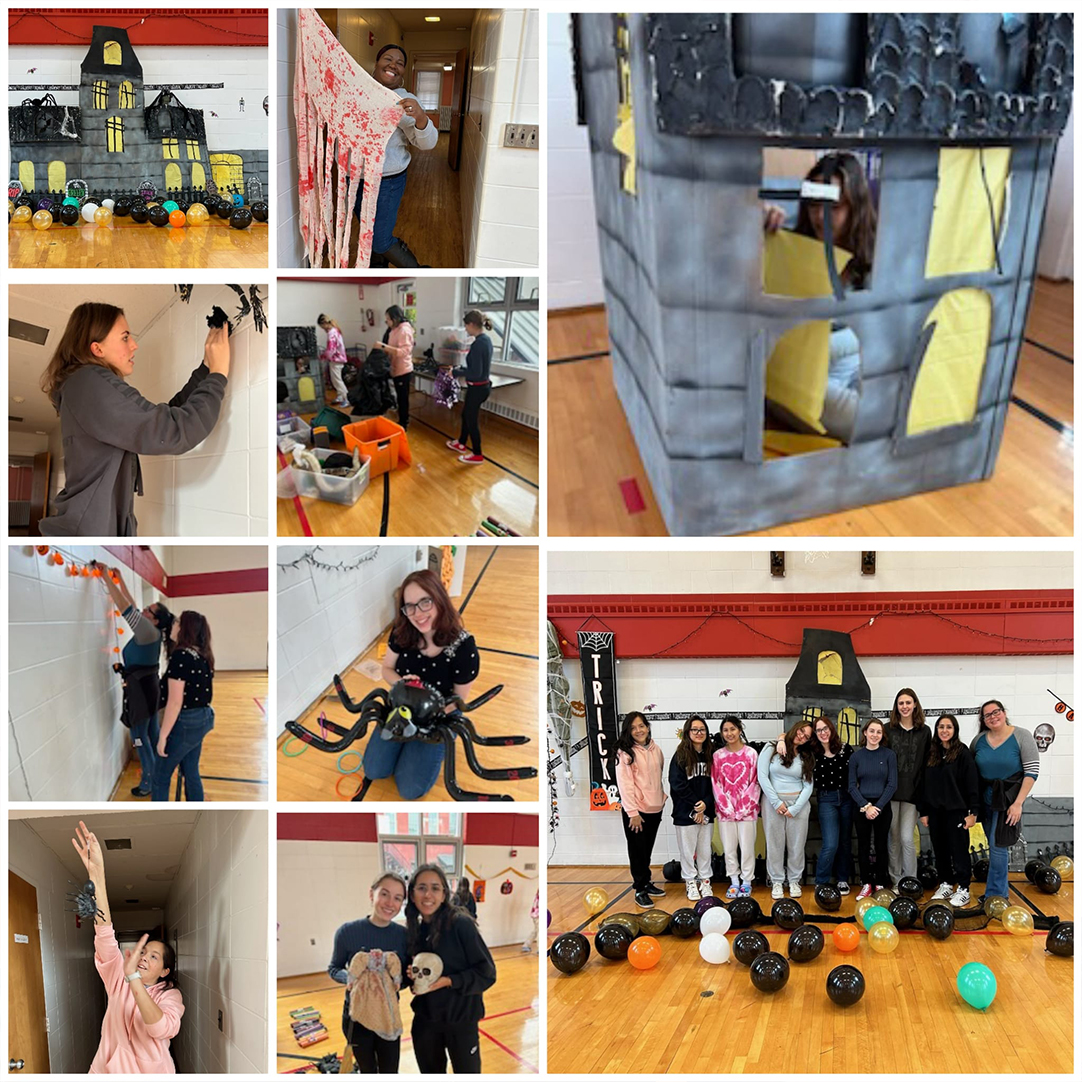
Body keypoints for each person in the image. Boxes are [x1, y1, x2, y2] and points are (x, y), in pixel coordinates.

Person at [38, 302, 230, 536]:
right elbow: (172, 432)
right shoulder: (89, 382)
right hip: (91, 529)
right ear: (97, 349)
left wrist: (206, 369)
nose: (134, 345)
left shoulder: (81, 387)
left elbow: (159, 420)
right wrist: (218, 373)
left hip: (91, 524)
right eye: (125, 337)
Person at [71, 820, 183, 1073]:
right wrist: (97, 876)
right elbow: (104, 933)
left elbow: (162, 1028)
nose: (144, 957)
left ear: (165, 971)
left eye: (154, 956)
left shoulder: (170, 996)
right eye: (143, 951)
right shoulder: (117, 979)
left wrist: (133, 978)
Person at [364, 570, 479, 799]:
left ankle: (429, 748)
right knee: (374, 770)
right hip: (402, 711)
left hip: (438, 718)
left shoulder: (464, 648)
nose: (418, 614)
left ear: (439, 599)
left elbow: (458, 702)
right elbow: (387, 669)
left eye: (425, 602)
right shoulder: (402, 632)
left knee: (409, 790)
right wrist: (400, 683)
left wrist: (425, 719)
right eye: (410, 607)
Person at [406, 863, 496, 1073]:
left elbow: (487, 973)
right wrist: (410, 976)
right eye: (422, 888)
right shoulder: (415, 931)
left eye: (435, 888)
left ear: (444, 893)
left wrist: (449, 981)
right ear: (412, 894)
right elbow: (411, 976)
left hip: (461, 1021)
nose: (428, 894)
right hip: (426, 1022)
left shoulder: (460, 924)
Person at [94, 562, 173, 797]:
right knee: (152, 733)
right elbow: (134, 608)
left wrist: (107, 578)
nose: (144, 612)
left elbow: (125, 608)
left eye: (149, 611)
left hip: (141, 692)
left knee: (140, 738)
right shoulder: (152, 630)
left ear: (156, 620)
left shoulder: (148, 631)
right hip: (149, 689)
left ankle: (148, 782)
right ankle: (160, 769)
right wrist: (120, 581)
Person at [355, 44, 437, 268]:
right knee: (368, 235)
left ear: (402, 72)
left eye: (400, 63)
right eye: (388, 59)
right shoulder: (358, 92)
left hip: (387, 181)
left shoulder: (402, 101)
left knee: (380, 241)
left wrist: (420, 116)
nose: (393, 65)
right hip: (356, 180)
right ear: (377, 63)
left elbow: (428, 143)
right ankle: (377, 270)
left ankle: (419, 272)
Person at [328, 872, 409, 1074]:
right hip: (356, 1018)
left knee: (390, 1070)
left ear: (401, 904)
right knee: (367, 1070)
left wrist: (397, 980)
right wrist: (354, 979)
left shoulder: (403, 936)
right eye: (385, 894)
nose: (390, 903)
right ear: (372, 894)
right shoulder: (347, 932)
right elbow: (334, 968)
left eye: (397, 898)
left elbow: (405, 977)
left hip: (388, 1016)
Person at [763, 151, 877, 290]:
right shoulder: (790, 252)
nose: (821, 216)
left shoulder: (877, 268)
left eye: (834, 207)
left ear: (856, 208)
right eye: (813, 204)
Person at [969, 699, 1040, 907]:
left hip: (1009, 801)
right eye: (987, 715)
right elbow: (971, 772)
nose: (993, 717)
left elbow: (1032, 772)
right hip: (986, 801)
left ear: (1004, 712)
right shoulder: (979, 741)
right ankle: (995, 893)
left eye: (996, 712)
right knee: (994, 846)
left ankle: (997, 896)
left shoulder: (1022, 736)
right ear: (983, 720)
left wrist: (1018, 803)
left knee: (998, 846)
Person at [916, 715, 980, 907]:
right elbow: (924, 784)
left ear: (955, 730)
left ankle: (963, 888)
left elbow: (972, 784)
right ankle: (945, 884)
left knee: (958, 850)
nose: (944, 730)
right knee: (940, 850)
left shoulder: (962, 753)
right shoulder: (932, 754)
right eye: (941, 727)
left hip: (957, 811)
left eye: (949, 727)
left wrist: (973, 812)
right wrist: (924, 811)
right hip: (935, 812)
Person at [152, 612, 215, 802]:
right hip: (202, 718)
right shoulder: (202, 654)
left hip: (187, 722)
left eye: (177, 621)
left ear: (185, 628)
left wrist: (162, 736)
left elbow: (175, 702)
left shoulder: (181, 656)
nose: (173, 624)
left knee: (160, 777)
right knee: (190, 770)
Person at [614, 710, 667, 909]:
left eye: (641, 726)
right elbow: (625, 784)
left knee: (647, 850)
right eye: (633, 727)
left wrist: (660, 799)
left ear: (647, 727)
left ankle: (646, 882)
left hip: (655, 808)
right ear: (628, 730)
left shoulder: (656, 749)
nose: (638, 730)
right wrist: (632, 813)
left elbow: (658, 775)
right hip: (637, 812)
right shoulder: (625, 752)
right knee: (637, 851)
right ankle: (640, 889)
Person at [757, 720, 815, 899]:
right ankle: (776, 881)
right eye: (800, 731)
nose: (801, 736)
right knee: (775, 844)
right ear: (794, 728)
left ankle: (794, 880)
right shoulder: (771, 747)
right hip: (773, 804)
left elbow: (808, 785)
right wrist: (776, 802)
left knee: (796, 845)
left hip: (798, 805)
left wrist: (796, 808)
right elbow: (762, 776)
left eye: (806, 736)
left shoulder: (806, 755)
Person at [711, 716, 760, 899]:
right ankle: (734, 881)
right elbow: (715, 783)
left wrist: (744, 807)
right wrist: (726, 806)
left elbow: (755, 782)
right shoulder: (718, 756)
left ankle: (747, 881)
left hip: (747, 812)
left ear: (740, 730)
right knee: (729, 847)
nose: (729, 733)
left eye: (732, 729)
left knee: (747, 847)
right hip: (725, 812)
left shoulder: (751, 754)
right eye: (725, 730)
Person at [886, 688, 931, 887]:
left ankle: (910, 881)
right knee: (894, 838)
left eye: (908, 702)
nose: (904, 706)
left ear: (915, 705)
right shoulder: (888, 729)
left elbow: (927, 764)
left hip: (914, 793)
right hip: (891, 793)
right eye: (901, 703)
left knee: (907, 838)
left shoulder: (925, 731)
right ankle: (896, 882)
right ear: (896, 706)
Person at [848, 719, 897, 899]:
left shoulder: (889, 755)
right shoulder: (856, 757)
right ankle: (866, 883)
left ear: (882, 735)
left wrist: (877, 807)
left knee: (881, 844)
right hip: (862, 805)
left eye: (879, 732)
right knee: (863, 845)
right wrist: (866, 806)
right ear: (865, 733)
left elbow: (892, 784)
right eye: (872, 731)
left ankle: (881, 883)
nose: (875, 735)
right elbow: (852, 786)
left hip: (882, 805)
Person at [668, 715, 716, 902]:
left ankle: (705, 880)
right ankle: (690, 881)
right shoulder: (680, 756)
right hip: (685, 812)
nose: (698, 733)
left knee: (705, 849)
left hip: (706, 810)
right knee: (687, 851)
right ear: (688, 732)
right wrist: (697, 806)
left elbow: (717, 784)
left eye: (702, 729)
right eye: (694, 729)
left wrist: (705, 804)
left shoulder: (712, 754)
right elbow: (677, 784)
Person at [809, 715, 855, 895]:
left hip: (846, 798)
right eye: (818, 730)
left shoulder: (845, 749)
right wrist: (781, 739)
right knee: (830, 843)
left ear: (832, 728)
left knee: (845, 841)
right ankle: (821, 881)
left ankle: (842, 879)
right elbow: (788, 739)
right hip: (826, 799)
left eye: (825, 728)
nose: (823, 733)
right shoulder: (812, 752)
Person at [446, 311, 493, 465]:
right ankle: (461, 443)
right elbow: (476, 367)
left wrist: (456, 372)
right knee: (466, 415)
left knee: (471, 420)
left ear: (472, 324)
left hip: (478, 389)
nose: (465, 329)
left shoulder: (479, 344)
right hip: (479, 387)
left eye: (466, 326)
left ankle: (477, 454)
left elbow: (475, 372)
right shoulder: (485, 340)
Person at [375, 306, 415, 430]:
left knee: (403, 398)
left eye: (388, 319)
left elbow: (404, 351)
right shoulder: (394, 329)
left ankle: (404, 423)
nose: (386, 321)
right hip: (396, 368)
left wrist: (383, 347)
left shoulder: (404, 331)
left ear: (395, 318)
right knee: (399, 396)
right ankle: (402, 418)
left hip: (403, 370)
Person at [317, 314, 350, 407]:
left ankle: (346, 398)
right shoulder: (335, 331)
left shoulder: (331, 333)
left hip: (336, 359)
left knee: (337, 380)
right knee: (335, 379)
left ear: (324, 323)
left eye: (322, 326)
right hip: (338, 358)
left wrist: (323, 356)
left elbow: (331, 350)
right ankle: (340, 396)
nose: (322, 328)